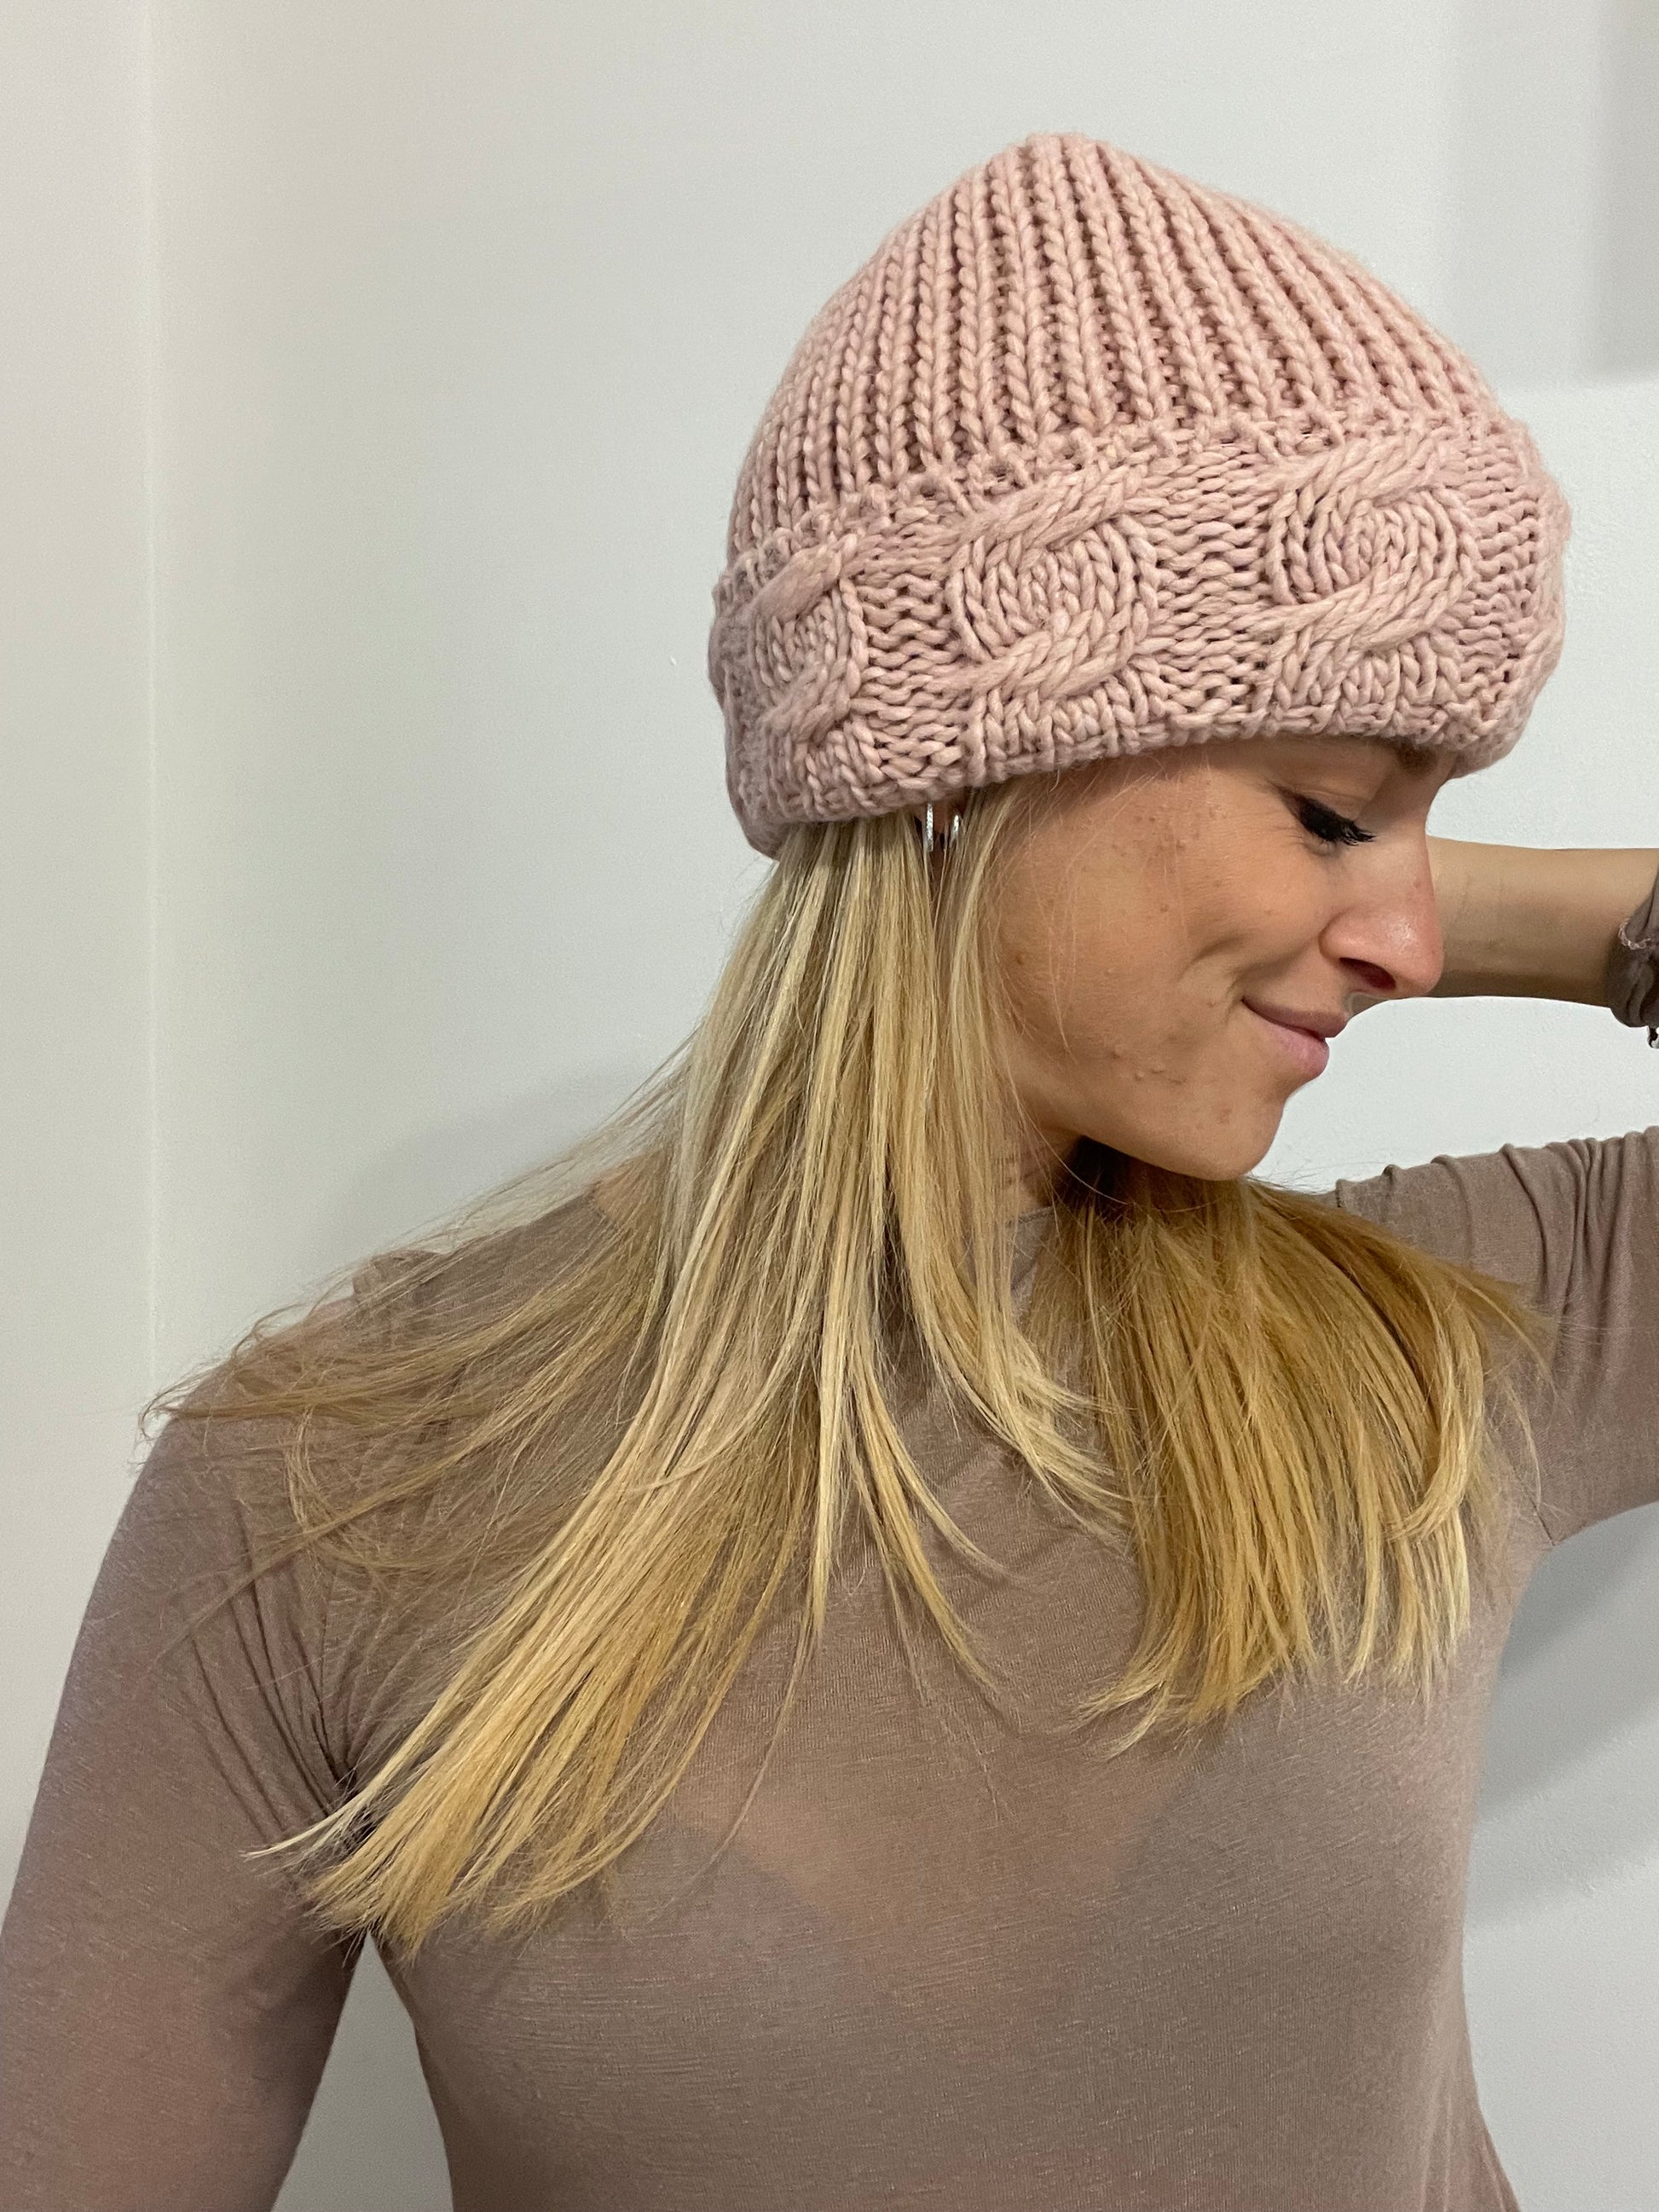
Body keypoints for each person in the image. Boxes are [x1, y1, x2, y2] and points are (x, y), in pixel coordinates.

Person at [2, 130, 1657, 2212]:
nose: (1407, 935)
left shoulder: (1442, 1347)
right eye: (1332, 805)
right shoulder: (334, 1484)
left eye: (1432, 825)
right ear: (962, 772)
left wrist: (1402, 881)